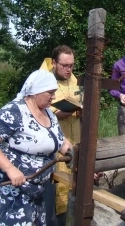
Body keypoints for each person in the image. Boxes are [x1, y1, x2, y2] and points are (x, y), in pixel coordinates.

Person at [0, 69, 73, 226]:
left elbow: (61, 142)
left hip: (39, 191)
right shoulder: (15, 111)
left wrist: (81, 160)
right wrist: (10, 168)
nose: (54, 97)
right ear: (36, 91)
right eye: (50, 92)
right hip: (14, 192)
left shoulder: (48, 113)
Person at [39, 45, 82, 225]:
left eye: (71, 65)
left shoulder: (74, 80)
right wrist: (60, 113)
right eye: (64, 65)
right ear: (54, 63)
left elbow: (80, 101)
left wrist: (82, 110)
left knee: (75, 185)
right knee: (54, 189)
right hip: (53, 147)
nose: (68, 69)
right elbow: (39, 113)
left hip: (75, 140)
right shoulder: (42, 81)